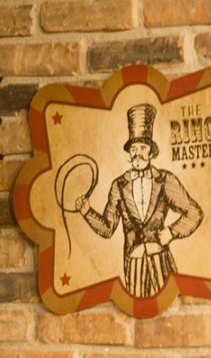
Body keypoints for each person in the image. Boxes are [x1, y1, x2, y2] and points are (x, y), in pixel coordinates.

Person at [76, 103, 203, 298]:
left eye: (142, 147)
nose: (137, 153)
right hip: (133, 264)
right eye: (133, 148)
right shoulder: (119, 185)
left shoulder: (165, 180)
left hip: (161, 260)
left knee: (173, 302)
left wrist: (172, 232)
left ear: (151, 151)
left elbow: (195, 212)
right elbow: (108, 228)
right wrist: (87, 212)